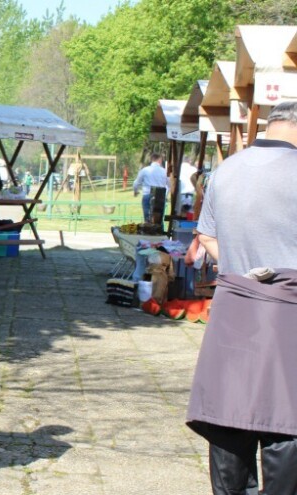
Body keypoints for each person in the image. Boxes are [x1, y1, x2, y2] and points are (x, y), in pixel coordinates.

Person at [186, 100, 297, 495]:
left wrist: (239, 265)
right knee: (285, 421)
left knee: (230, 414)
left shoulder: (226, 170)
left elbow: (207, 236)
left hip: (234, 303)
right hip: (289, 310)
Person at [132, 153, 167, 223]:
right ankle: (159, 231)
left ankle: (147, 229)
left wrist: (136, 191)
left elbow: (136, 183)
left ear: (151, 160)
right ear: (160, 160)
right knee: (159, 219)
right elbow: (169, 184)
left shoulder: (145, 170)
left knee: (147, 218)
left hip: (147, 195)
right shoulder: (164, 171)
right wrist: (166, 194)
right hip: (160, 197)